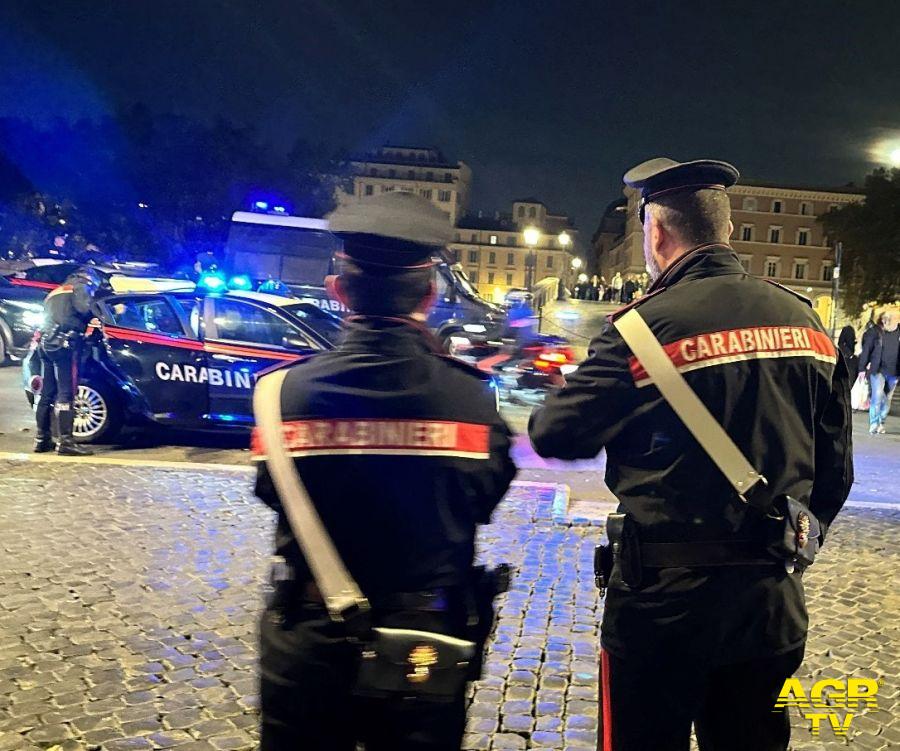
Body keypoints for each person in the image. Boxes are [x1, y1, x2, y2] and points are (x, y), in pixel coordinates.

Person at [529, 157, 853, 751]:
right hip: (769, 605)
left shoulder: (640, 331)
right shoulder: (806, 322)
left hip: (662, 610)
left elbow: (555, 434)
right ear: (726, 229)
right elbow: (836, 470)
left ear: (656, 233)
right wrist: (795, 546)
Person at [252, 192, 517, 750]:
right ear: (430, 294)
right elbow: (484, 500)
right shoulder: (472, 400)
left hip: (307, 647)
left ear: (338, 290)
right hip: (422, 648)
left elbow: (273, 492)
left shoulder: (278, 396)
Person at [33, 267, 108, 456]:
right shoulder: (81, 287)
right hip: (64, 345)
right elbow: (85, 309)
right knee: (66, 393)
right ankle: (66, 442)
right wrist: (105, 312)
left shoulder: (56, 291)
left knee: (47, 393)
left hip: (45, 344)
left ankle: (42, 439)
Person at [858, 310, 899, 434]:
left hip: (894, 371)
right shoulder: (875, 332)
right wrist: (862, 368)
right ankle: (874, 423)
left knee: (887, 398)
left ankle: (881, 421)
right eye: (885, 319)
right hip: (878, 370)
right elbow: (866, 349)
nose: (887, 322)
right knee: (877, 395)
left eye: (890, 319)